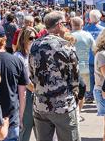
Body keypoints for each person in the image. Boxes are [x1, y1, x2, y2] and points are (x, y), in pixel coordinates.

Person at [29, 11, 80, 141]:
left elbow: (32, 75)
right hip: (63, 104)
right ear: (58, 25)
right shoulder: (66, 46)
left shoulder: (34, 45)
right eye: (64, 24)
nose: (65, 26)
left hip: (41, 103)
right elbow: (75, 78)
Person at [14, 27, 37, 141]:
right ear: (23, 39)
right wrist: (36, 90)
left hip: (36, 93)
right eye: (31, 38)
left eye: (36, 38)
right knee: (25, 127)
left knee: (40, 128)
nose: (34, 40)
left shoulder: (35, 54)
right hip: (26, 94)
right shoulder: (18, 56)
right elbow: (24, 80)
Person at [71, 17, 95, 108]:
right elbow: (94, 49)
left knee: (72, 92)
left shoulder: (68, 35)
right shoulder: (88, 35)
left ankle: (74, 112)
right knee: (82, 93)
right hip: (85, 67)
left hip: (72, 68)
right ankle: (79, 113)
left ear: (72, 24)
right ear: (82, 24)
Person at [84, 9, 104, 102]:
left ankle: (89, 95)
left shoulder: (85, 29)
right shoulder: (103, 30)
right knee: (100, 77)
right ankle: (99, 96)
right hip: (100, 57)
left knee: (90, 77)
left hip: (88, 57)